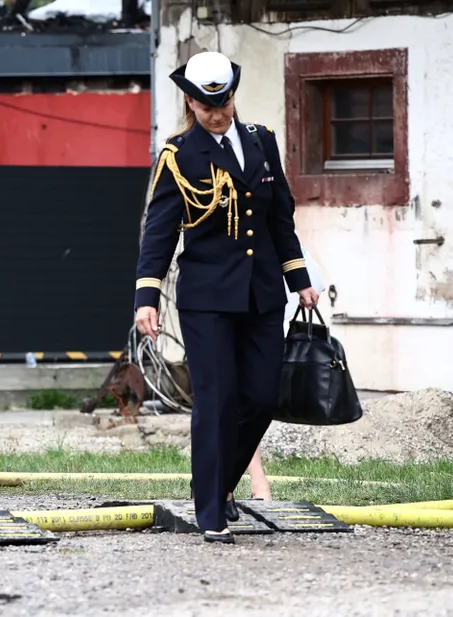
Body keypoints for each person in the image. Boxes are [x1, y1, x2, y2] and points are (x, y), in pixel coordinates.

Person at [134, 51, 319, 544]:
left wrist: (299, 278)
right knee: (216, 400)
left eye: (223, 102)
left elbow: (281, 217)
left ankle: (215, 483)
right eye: (205, 105)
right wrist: (146, 296)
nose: (216, 113)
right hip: (207, 299)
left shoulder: (262, 141)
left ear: (233, 95)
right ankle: (211, 510)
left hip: (262, 294)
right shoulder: (179, 154)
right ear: (190, 102)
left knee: (260, 397)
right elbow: (159, 231)